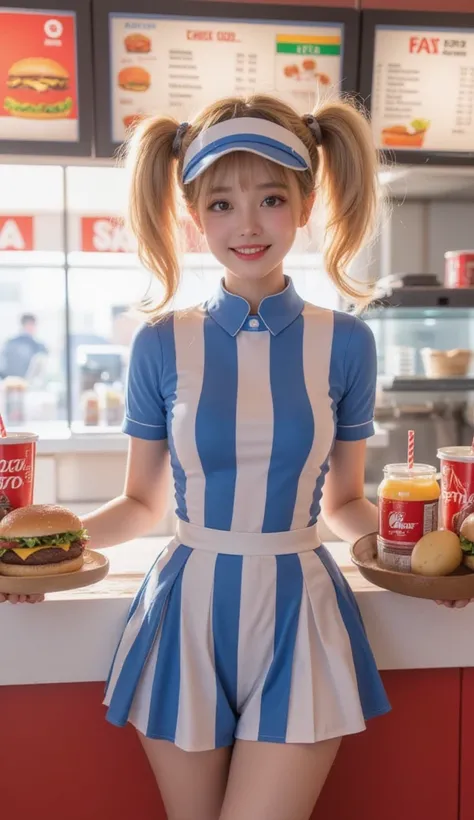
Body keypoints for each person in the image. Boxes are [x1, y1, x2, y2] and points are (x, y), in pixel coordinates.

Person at [1, 95, 471, 817]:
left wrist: (422, 559)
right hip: (185, 609)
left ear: (307, 204)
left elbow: (345, 501)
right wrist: (42, 556)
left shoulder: (347, 342)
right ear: (194, 216)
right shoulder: (159, 342)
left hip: (301, 613)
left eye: (271, 198)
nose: (247, 225)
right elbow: (142, 504)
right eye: (220, 204)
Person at [0, 313, 48, 380]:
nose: (34, 328)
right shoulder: (12, 343)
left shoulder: (38, 345)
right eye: (32, 325)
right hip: (16, 382)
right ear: (26, 325)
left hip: (13, 381)